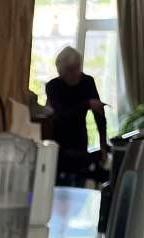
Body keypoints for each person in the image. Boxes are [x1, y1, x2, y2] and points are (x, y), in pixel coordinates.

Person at [45, 46, 109, 181]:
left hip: (80, 139)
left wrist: (103, 144)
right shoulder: (53, 86)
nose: (75, 73)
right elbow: (62, 114)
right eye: (70, 70)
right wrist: (87, 104)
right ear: (60, 71)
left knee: (81, 180)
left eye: (77, 68)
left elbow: (99, 115)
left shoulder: (87, 82)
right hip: (59, 142)